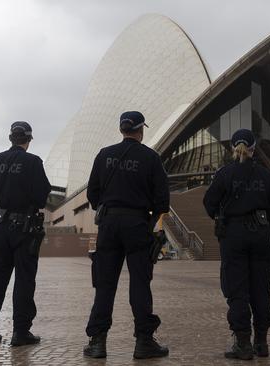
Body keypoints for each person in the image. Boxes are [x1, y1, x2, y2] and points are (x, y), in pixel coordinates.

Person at [82, 111, 170, 359]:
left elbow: (92, 195)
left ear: (122, 130)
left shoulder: (104, 155)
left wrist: (109, 209)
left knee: (105, 285)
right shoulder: (151, 158)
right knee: (140, 283)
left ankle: (97, 342)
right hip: (137, 224)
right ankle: (144, 342)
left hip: (109, 225)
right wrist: (148, 219)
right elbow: (163, 200)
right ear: (141, 131)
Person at [203, 129, 270, 360]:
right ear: (254, 148)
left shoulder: (225, 174)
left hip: (234, 234)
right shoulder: (266, 176)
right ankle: (262, 342)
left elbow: (209, 202)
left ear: (232, 148)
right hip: (261, 233)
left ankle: (243, 343)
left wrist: (225, 215)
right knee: (260, 286)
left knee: (237, 288)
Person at [0, 121, 51, 346]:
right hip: (25, 229)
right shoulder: (33, 162)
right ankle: (20, 332)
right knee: (24, 280)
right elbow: (41, 196)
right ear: (28, 139)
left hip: (0, 228)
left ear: (11, 138)